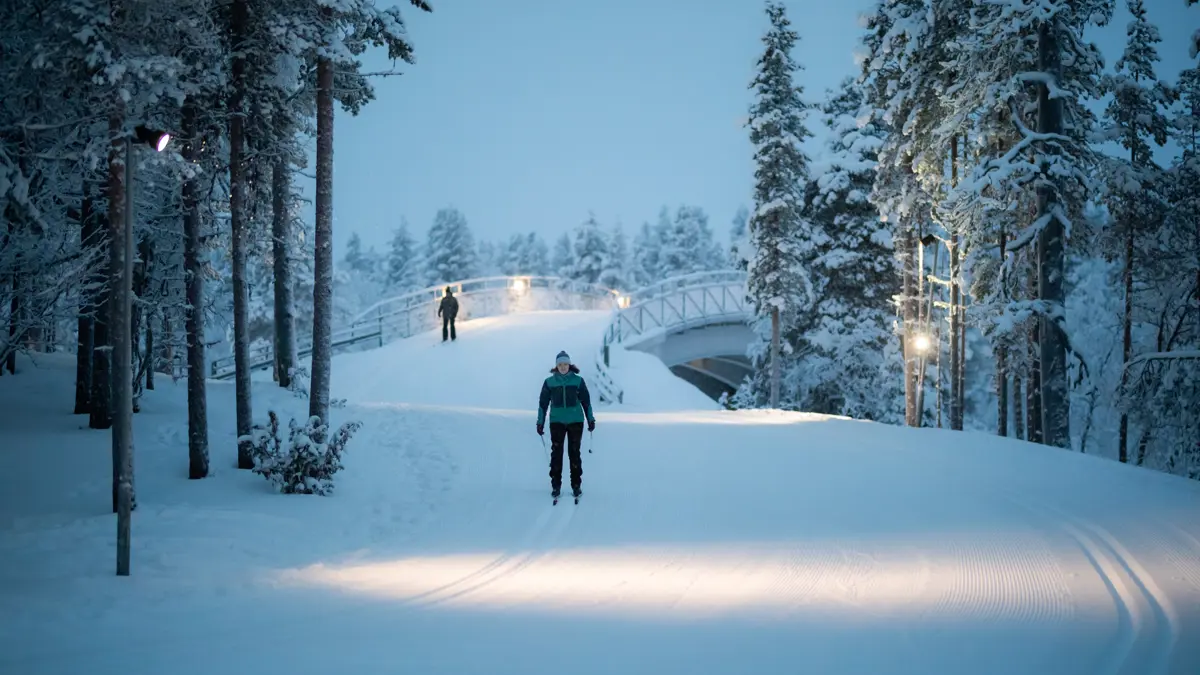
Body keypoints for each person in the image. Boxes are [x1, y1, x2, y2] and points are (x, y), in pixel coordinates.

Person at [536, 350, 596, 500]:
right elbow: (543, 405)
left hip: (576, 421)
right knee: (556, 454)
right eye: (560, 365)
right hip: (557, 422)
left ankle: (576, 485)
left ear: (570, 365)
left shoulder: (578, 381)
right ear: (556, 366)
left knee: (574, 453)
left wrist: (590, 419)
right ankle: (556, 486)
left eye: (565, 364)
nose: (563, 367)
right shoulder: (549, 382)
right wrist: (540, 422)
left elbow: (586, 402)